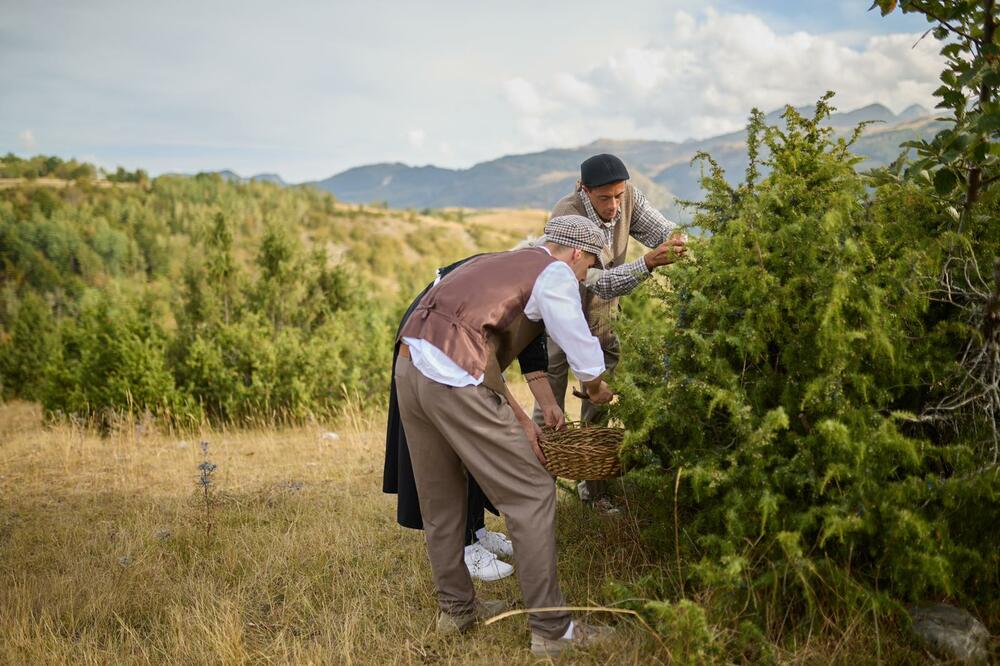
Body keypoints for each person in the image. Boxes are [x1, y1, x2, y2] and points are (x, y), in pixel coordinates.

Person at [393, 215, 615, 656]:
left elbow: (487, 349)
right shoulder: (553, 272)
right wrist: (595, 387)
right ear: (575, 251)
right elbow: (578, 341)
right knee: (532, 491)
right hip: (453, 375)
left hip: (409, 364)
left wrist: (522, 416)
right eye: (589, 263)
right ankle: (553, 633)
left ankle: (456, 610)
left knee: (440, 498)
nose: (586, 274)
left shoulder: (501, 260)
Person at [383, 256, 566, 582]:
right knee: (450, 467)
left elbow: (533, 359)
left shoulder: (531, 286)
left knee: (464, 462)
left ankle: (476, 534)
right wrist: (522, 419)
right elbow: (485, 370)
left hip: (456, 355)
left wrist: (549, 406)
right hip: (435, 349)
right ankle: (468, 547)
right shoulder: (525, 284)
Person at [532, 154, 687, 508]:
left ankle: (594, 492)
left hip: (604, 322)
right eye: (605, 198)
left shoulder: (627, 198)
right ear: (585, 190)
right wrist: (647, 263)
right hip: (557, 321)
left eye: (619, 195)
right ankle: (538, 493)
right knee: (549, 408)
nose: (615, 205)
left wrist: (676, 242)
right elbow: (595, 282)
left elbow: (662, 231)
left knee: (598, 410)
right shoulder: (566, 215)